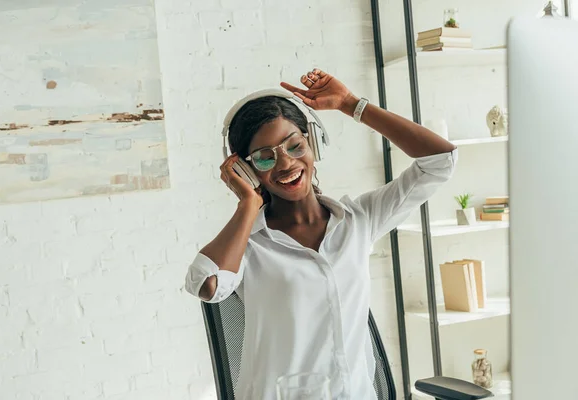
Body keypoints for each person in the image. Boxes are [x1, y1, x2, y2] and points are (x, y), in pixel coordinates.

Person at [185, 68, 457, 399]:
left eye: (294, 145)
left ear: (313, 142)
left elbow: (440, 161)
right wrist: (247, 203)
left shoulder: (358, 220)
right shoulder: (249, 245)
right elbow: (207, 284)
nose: (285, 163)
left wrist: (351, 104)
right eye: (264, 158)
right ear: (247, 169)